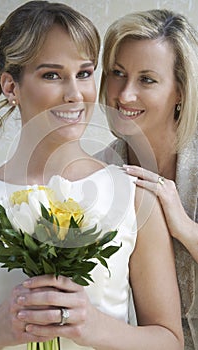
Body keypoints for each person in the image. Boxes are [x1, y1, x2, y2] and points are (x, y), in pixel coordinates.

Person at [0, 2, 184, 350]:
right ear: (10, 86)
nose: (75, 94)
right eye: (52, 75)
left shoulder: (133, 195)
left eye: (84, 73)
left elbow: (171, 341)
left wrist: (93, 327)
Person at [96, 8, 198, 350]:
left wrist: (183, 226)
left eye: (147, 79)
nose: (124, 95)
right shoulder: (94, 176)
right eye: (118, 74)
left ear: (181, 90)